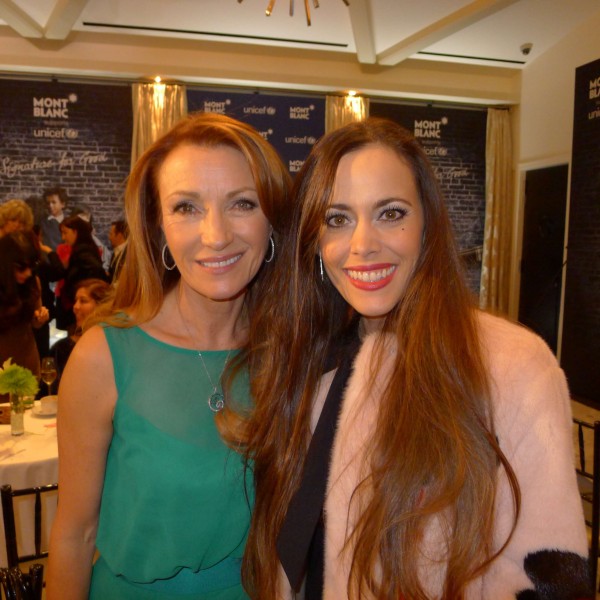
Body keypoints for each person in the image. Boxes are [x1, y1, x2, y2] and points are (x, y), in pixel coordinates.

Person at [243, 118, 592, 599]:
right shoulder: (311, 361)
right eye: (337, 219)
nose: (363, 244)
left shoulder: (508, 364)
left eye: (391, 213)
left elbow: (546, 572)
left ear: (427, 222)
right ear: (314, 240)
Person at [47, 112, 291, 599]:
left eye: (243, 203)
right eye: (186, 207)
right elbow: (75, 534)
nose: (216, 234)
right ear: (158, 225)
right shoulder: (105, 355)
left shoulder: (292, 350)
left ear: (273, 221)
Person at [0, 232, 50, 398]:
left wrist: (40, 318)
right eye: (21, 267)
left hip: (26, 356)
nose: (28, 273)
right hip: (2, 360)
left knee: (25, 410)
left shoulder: (32, 283)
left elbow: (34, 322)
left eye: (31, 266)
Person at [49, 278, 111, 389]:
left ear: (102, 306)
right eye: (75, 301)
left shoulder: (114, 346)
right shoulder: (62, 349)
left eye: (83, 301)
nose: (75, 307)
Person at [53, 215, 108, 331]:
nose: (63, 237)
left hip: (83, 310)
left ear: (75, 231)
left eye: (65, 233)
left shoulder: (83, 252)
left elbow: (96, 273)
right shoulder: (85, 249)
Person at [107, 218, 129, 284]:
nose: (109, 238)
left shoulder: (128, 254)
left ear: (119, 235)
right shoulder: (116, 252)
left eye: (111, 234)